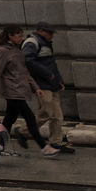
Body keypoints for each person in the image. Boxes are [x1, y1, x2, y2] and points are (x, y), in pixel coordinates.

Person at [0, 26, 60, 157]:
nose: (21, 38)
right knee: (30, 117)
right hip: (12, 90)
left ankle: (1, 145)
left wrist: (36, 87)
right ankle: (44, 147)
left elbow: (24, 72)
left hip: (20, 89)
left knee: (10, 118)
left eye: (21, 36)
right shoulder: (2, 51)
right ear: (10, 36)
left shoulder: (17, 50)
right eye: (19, 36)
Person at [23, 22, 74, 153]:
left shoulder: (45, 43)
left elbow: (51, 63)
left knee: (57, 116)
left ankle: (56, 143)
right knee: (46, 113)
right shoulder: (31, 42)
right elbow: (28, 61)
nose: (52, 36)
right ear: (40, 31)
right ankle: (24, 132)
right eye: (49, 32)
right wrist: (48, 75)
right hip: (41, 85)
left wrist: (58, 80)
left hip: (51, 84)